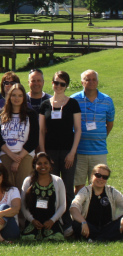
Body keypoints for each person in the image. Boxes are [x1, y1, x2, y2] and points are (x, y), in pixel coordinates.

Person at [39, 70, 81, 230]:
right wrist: (43, 154)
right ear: (52, 83)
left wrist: (72, 152)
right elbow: (42, 131)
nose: (58, 86)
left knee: (68, 188)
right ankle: (53, 222)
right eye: (56, 82)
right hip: (50, 153)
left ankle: (69, 223)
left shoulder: (73, 104)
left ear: (66, 86)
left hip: (68, 152)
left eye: (62, 84)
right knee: (52, 188)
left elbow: (78, 129)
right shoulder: (45, 105)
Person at [72, 69, 115, 192]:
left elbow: (110, 123)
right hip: (79, 151)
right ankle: (78, 210)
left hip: (99, 151)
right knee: (79, 185)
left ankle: (94, 211)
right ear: (82, 82)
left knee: (98, 185)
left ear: (97, 82)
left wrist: (100, 136)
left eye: (93, 79)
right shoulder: (74, 99)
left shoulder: (107, 100)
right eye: (87, 79)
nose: (91, 82)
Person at [0, 83, 39, 190]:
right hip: (6, 154)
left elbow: (33, 139)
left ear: (24, 97)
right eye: (13, 95)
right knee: (7, 187)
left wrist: (18, 159)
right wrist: (12, 156)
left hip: (25, 155)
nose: (16, 98)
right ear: (9, 97)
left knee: (23, 187)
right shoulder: (1, 114)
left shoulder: (30, 114)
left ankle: (23, 207)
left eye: (20, 95)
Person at [69, 164, 123, 242]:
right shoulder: (85, 191)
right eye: (98, 175)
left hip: (108, 227)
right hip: (89, 227)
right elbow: (73, 208)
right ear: (92, 175)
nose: (101, 179)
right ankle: (106, 238)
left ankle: (97, 239)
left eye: (105, 177)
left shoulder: (111, 191)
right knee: (76, 223)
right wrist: (83, 222)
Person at [19, 153, 67, 241]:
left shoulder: (58, 181)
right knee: (28, 238)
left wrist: (52, 220)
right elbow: (22, 204)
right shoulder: (28, 181)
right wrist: (32, 220)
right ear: (34, 165)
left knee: (56, 238)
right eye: (39, 163)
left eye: (46, 163)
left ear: (50, 165)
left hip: (52, 222)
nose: (43, 166)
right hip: (33, 222)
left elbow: (63, 205)